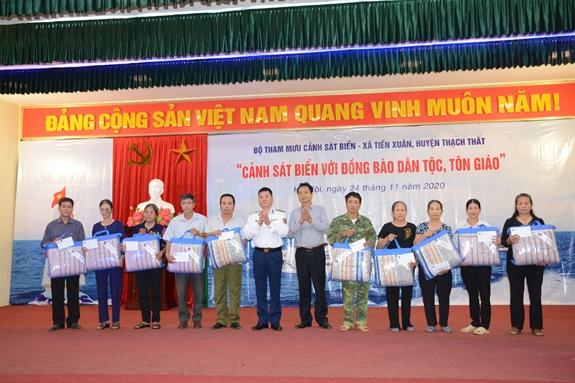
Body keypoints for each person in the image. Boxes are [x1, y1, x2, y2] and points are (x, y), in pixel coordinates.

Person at [327, 192, 376, 332]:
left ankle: (361, 321)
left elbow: (373, 237)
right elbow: (330, 238)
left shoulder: (366, 222)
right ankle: (347, 322)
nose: (353, 204)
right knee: (347, 293)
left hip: (363, 264)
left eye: (355, 202)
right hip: (346, 263)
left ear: (359, 204)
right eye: (350, 202)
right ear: (346, 203)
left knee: (362, 292)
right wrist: (343, 234)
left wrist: (369, 243)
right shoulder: (338, 221)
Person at [501, 193, 546, 337]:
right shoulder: (510, 222)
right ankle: (516, 326)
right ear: (516, 206)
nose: (523, 206)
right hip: (515, 265)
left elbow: (544, 243)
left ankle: (536, 326)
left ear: (531, 205)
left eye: (526, 203)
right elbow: (503, 242)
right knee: (516, 295)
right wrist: (509, 241)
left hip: (535, 265)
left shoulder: (539, 222)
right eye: (520, 203)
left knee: (535, 295)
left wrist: (543, 258)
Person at [288, 182, 331, 330]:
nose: (303, 195)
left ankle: (322, 318)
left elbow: (326, 228)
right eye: (300, 193)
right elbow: (290, 233)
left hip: (317, 252)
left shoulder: (320, 210)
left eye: (306, 192)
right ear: (298, 195)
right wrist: (301, 220)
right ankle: (305, 319)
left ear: (311, 194)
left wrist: (311, 220)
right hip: (301, 253)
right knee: (303, 287)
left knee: (319, 287)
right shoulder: (294, 213)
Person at [244, 187, 289, 331]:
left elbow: (285, 232)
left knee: (275, 288)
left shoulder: (280, 215)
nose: (264, 199)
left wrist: (270, 223)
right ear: (258, 199)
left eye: (266, 196)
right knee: (260, 288)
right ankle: (262, 320)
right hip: (258, 255)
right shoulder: (252, 217)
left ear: (272, 198)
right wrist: (258, 224)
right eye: (261, 196)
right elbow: (247, 234)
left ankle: (275, 320)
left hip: (274, 254)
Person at [41, 197, 86, 332]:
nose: (66, 209)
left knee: (73, 293)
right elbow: (43, 243)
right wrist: (52, 242)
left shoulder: (78, 225)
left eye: (69, 207)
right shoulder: (51, 225)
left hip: (73, 265)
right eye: (64, 206)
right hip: (56, 265)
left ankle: (73, 321)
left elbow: (83, 243)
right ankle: (58, 322)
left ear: (72, 209)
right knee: (57, 294)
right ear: (59, 208)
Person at [457, 199, 501, 336]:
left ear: (480, 210)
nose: (473, 210)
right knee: (472, 296)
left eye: (476, 208)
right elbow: (457, 246)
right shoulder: (460, 225)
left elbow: (490, 246)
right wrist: (460, 260)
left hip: (483, 266)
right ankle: (475, 322)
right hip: (467, 266)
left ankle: (484, 324)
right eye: (470, 208)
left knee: (485, 295)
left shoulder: (485, 226)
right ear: (466, 210)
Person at [164, 193, 207, 329]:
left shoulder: (202, 220)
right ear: (181, 205)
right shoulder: (175, 221)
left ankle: (197, 318)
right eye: (184, 203)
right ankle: (183, 318)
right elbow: (169, 239)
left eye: (189, 203)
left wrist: (199, 233)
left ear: (194, 204)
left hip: (196, 262)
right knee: (181, 292)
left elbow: (208, 236)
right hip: (179, 262)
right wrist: (167, 254)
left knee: (198, 291)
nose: (186, 206)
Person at [203, 194, 246, 330]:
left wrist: (234, 257)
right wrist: (212, 233)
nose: (227, 206)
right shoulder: (213, 221)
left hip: (234, 262)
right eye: (224, 203)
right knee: (219, 291)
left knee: (234, 291)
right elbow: (205, 237)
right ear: (220, 205)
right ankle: (221, 319)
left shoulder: (239, 221)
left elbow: (243, 241)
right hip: (218, 262)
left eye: (229, 203)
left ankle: (234, 320)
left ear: (233, 205)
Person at [376, 201, 417, 332]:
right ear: (393, 212)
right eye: (397, 210)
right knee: (392, 295)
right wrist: (386, 238)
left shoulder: (412, 227)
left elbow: (416, 246)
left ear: (406, 212)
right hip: (390, 266)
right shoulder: (387, 227)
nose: (400, 212)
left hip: (408, 265)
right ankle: (394, 323)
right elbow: (378, 247)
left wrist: (416, 260)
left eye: (403, 210)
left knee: (407, 295)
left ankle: (407, 323)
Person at [413, 200, 453, 333]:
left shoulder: (447, 229)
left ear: (442, 211)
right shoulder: (421, 227)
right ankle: (431, 323)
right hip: (426, 268)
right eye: (432, 209)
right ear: (427, 211)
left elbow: (450, 250)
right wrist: (425, 235)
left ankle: (444, 323)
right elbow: (415, 245)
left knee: (444, 296)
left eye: (437, 209)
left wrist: (447, 266)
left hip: (444, 268)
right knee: (428, 295)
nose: (434, 211)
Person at [127, 203, 166, 330]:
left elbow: (166, 244)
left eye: (151, 212)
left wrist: (162, 252)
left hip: (154, 265)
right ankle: (145, 320)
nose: (148, 214)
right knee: (142, 293)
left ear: (156, 215)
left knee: (155, 293)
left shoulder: (161, 229)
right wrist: (125, 247)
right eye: (146, 212)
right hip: (140, 265)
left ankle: (156, 320)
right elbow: (132, 245)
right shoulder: (137, 228)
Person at [91, 199, 126, 330]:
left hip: (115, 262)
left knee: (116, 290)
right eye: (102, 209)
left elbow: (123, 244)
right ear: (99, 210)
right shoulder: (96, 226)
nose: (105, 212)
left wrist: (122, 257)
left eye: (107, 209)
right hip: (100, 263)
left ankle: (116, 320)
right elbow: (93, 245)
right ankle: (104, 320)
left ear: (112, 209)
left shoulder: (118, 224)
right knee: (101, 290)